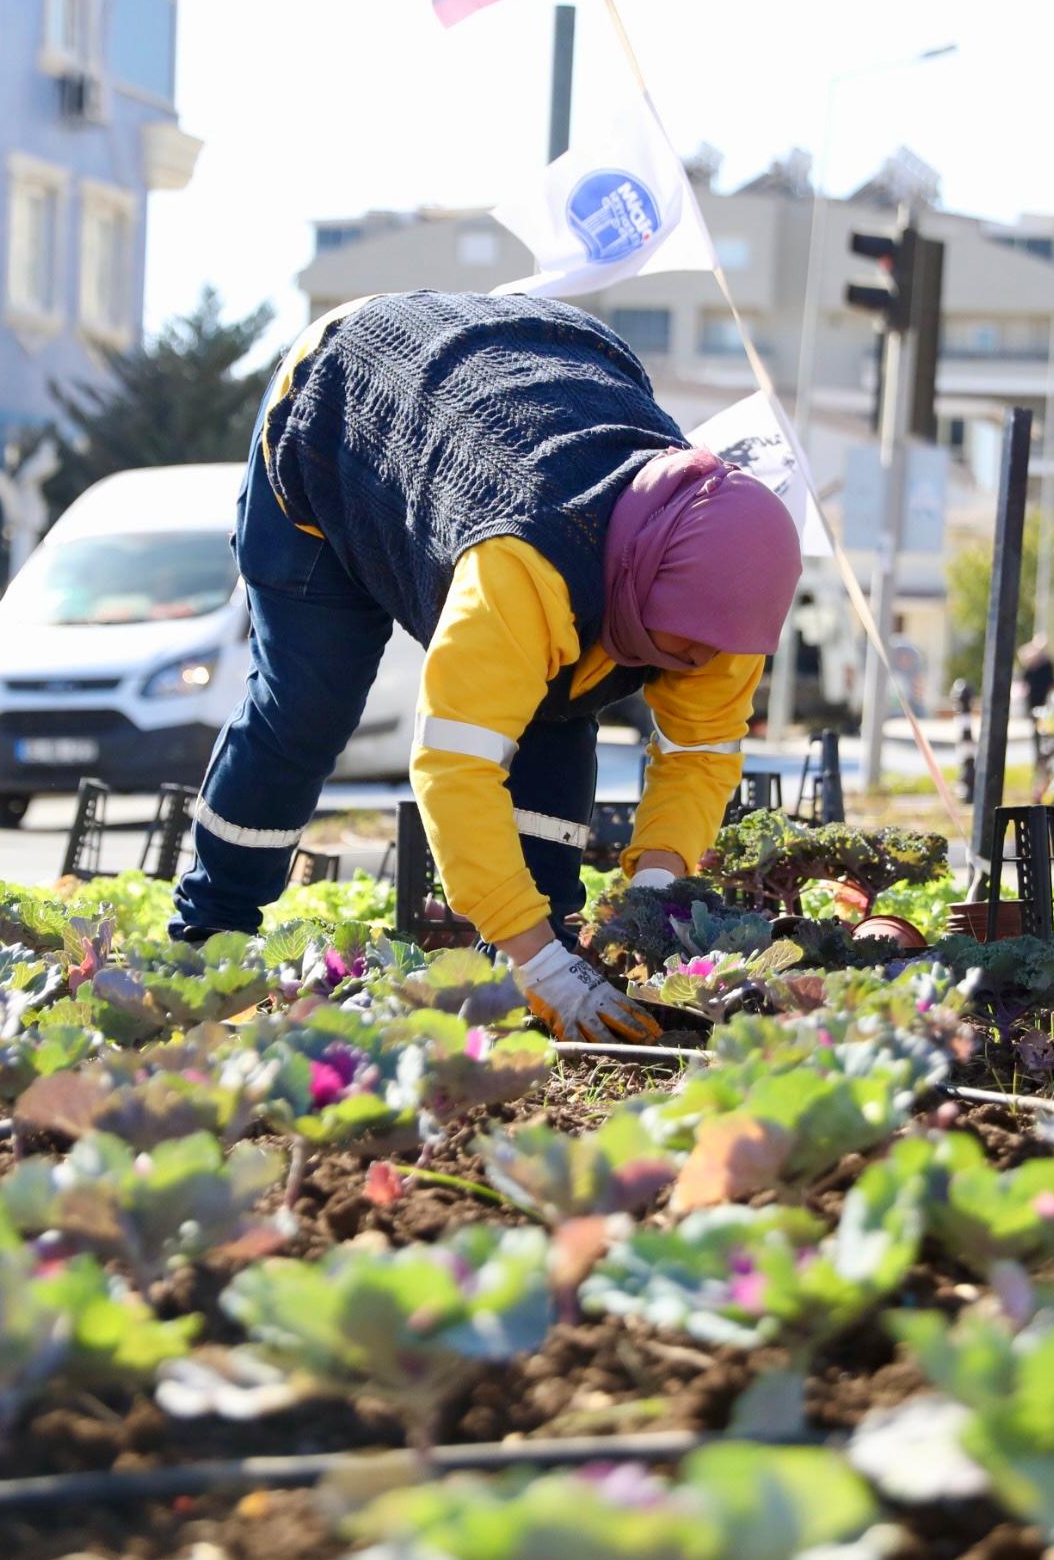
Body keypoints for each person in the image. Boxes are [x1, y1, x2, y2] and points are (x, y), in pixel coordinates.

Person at [168, 291, 804, 1041]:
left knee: (559, 705)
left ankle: (531, 958)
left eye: (710, 651)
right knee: (309, 705)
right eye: (683, 644)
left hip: (543, 363)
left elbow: (698, 753)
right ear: (641, 582)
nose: (696, 664)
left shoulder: (725, 586)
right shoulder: (524, 565)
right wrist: (540, 965)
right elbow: (454, 768)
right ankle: (209, 934)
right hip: (343, 403)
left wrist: (656, 895)